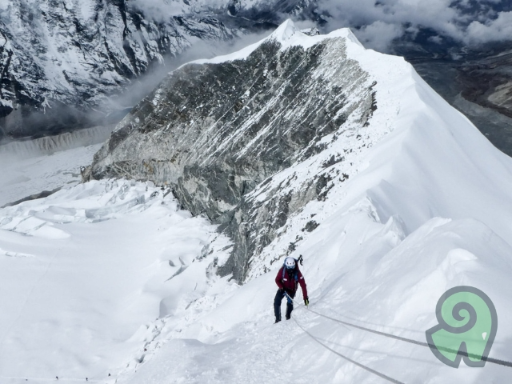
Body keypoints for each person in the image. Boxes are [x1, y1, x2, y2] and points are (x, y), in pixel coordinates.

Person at [274, 256, 309, 323]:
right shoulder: (282, 271)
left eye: (292, 268)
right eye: (289, 268)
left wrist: (305, 298)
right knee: (277, 301)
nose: (290, 270)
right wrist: (281, 287)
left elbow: (303, 285)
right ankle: (278, 319)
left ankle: (289, 318)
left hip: (291, 290)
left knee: (290, 303)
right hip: (283, 288)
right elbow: (277, 280)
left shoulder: (297, 273)